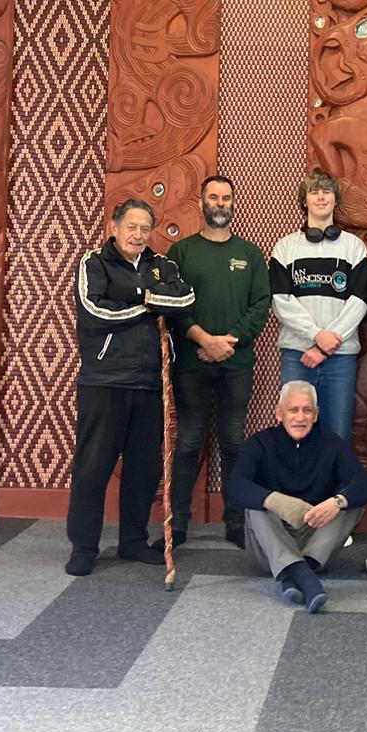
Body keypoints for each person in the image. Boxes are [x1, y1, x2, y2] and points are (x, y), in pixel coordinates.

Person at [67, 199, 195, 576]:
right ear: (115, 227)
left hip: (150, 382)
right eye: (131, 227)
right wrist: (147, 303)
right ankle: (84, 546)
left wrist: (142, 296)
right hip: (105, 381)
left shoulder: (162, 265)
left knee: (144, 468)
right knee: (93, 467)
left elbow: (185, 299)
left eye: (144, 229)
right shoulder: (94, 263)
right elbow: (95, 311)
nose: (138, 235)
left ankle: (132, 541)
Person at [164, 175, 270, 550]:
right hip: (192, 362)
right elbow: (171, 306)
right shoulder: (181, 252)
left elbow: (261, 305)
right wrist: (204, 339)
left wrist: (229, 341)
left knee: (233, 443)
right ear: (202, 203)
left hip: (236, 363)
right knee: (189, 442)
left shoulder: (251, 254)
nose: (220, 203)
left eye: (226, 198)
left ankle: (236, 523)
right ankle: (176, 525)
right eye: (214, 197)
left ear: (233, 204)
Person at [226, 381, 367, 612]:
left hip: (315, 539)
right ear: (279, 413)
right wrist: (278, 502)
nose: (300, 417)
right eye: (293, 410)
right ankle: (305, 577)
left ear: (315, 416)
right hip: (269, 544)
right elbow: (235, 485)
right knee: (256, 505)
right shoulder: (259, 443)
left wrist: (337, 502)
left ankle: (293, 572)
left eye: (307, 410)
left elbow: (365, 484)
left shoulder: (331, 443)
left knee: (351, 503)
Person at [269, 170, 367, 441]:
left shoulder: (354, 247)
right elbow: (280, 301)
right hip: (297, 354)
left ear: (336, 200)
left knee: (338, 434)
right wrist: (316, 336)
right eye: (314, 192)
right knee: (294, 433)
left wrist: (327, 343)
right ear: (304, 201)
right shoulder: (285, 248)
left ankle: (334, 486)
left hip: (341, 356)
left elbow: (359, 301)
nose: (321, 197)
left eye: (326, 192)